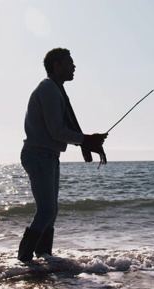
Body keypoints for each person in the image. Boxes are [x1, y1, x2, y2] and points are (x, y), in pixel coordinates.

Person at [18, 47, 107, 264]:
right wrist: (86, 140)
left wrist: (87, 140)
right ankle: (24, 258)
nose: (74, 66)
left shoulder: (55, 88)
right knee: (47, 209)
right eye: (69, 62)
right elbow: (56, 130)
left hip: (48, 156)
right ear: (56, 65)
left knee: (51, 210)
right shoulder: (49, 89)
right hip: (38, 155)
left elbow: (58, 130)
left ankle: (43, 255)